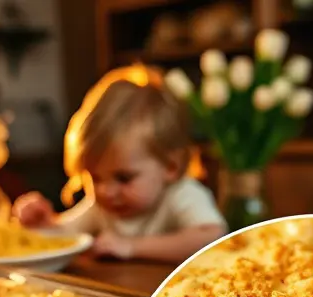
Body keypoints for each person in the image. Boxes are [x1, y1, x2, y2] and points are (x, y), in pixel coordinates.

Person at [12, 65, 227, 263]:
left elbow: (212, 237)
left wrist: (132, 247)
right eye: (94, 177)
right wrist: (42, 226)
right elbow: (67, 236)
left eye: (123, 178)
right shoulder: (101, 206)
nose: (106, 190)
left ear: (170, 167)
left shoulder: (182, 194)